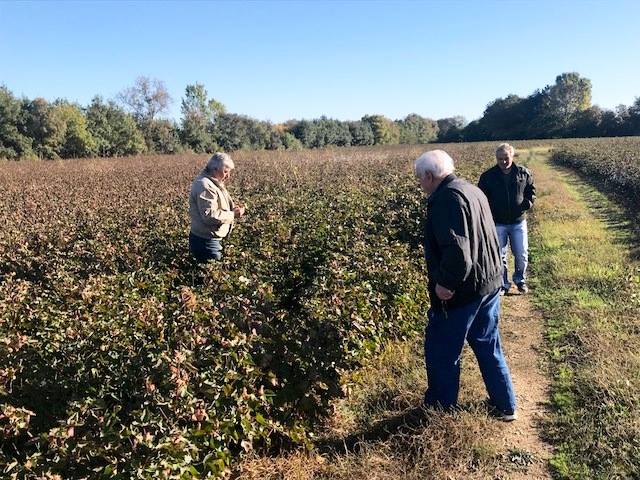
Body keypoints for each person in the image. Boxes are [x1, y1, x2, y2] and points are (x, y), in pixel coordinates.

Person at [415, 149, 517, 421]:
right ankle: (505, 405)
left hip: (463, 292)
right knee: (488, 345)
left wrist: (444, 284)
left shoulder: (445, 199)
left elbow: (458, 253)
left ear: (429, 175)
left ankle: (440, 410)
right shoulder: (472, 190)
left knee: (442, 350)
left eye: (420, 179)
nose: (420, 185)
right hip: (489, 283)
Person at [478, 143, 536, 295]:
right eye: (500, 159)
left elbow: (531, 191)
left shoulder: (523, 173)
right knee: (498, 255)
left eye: (506, 158)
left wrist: (526, 204)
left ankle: (520, 280)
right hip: (497, 223)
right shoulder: (488, 176)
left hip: (518, 221)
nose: (503, 161)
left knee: (521, 253)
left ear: (512, 156)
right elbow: (481, 198)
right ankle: (503, 284)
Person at [188, 152, 245, 262]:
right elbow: (210, 216)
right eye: (225, 172)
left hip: (209, 240)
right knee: (209, 275)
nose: (228, 176)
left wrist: (231, 209)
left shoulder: (213, 183)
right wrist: (233, 214)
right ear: (215, 169)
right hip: (206, 242)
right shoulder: (205, 185)